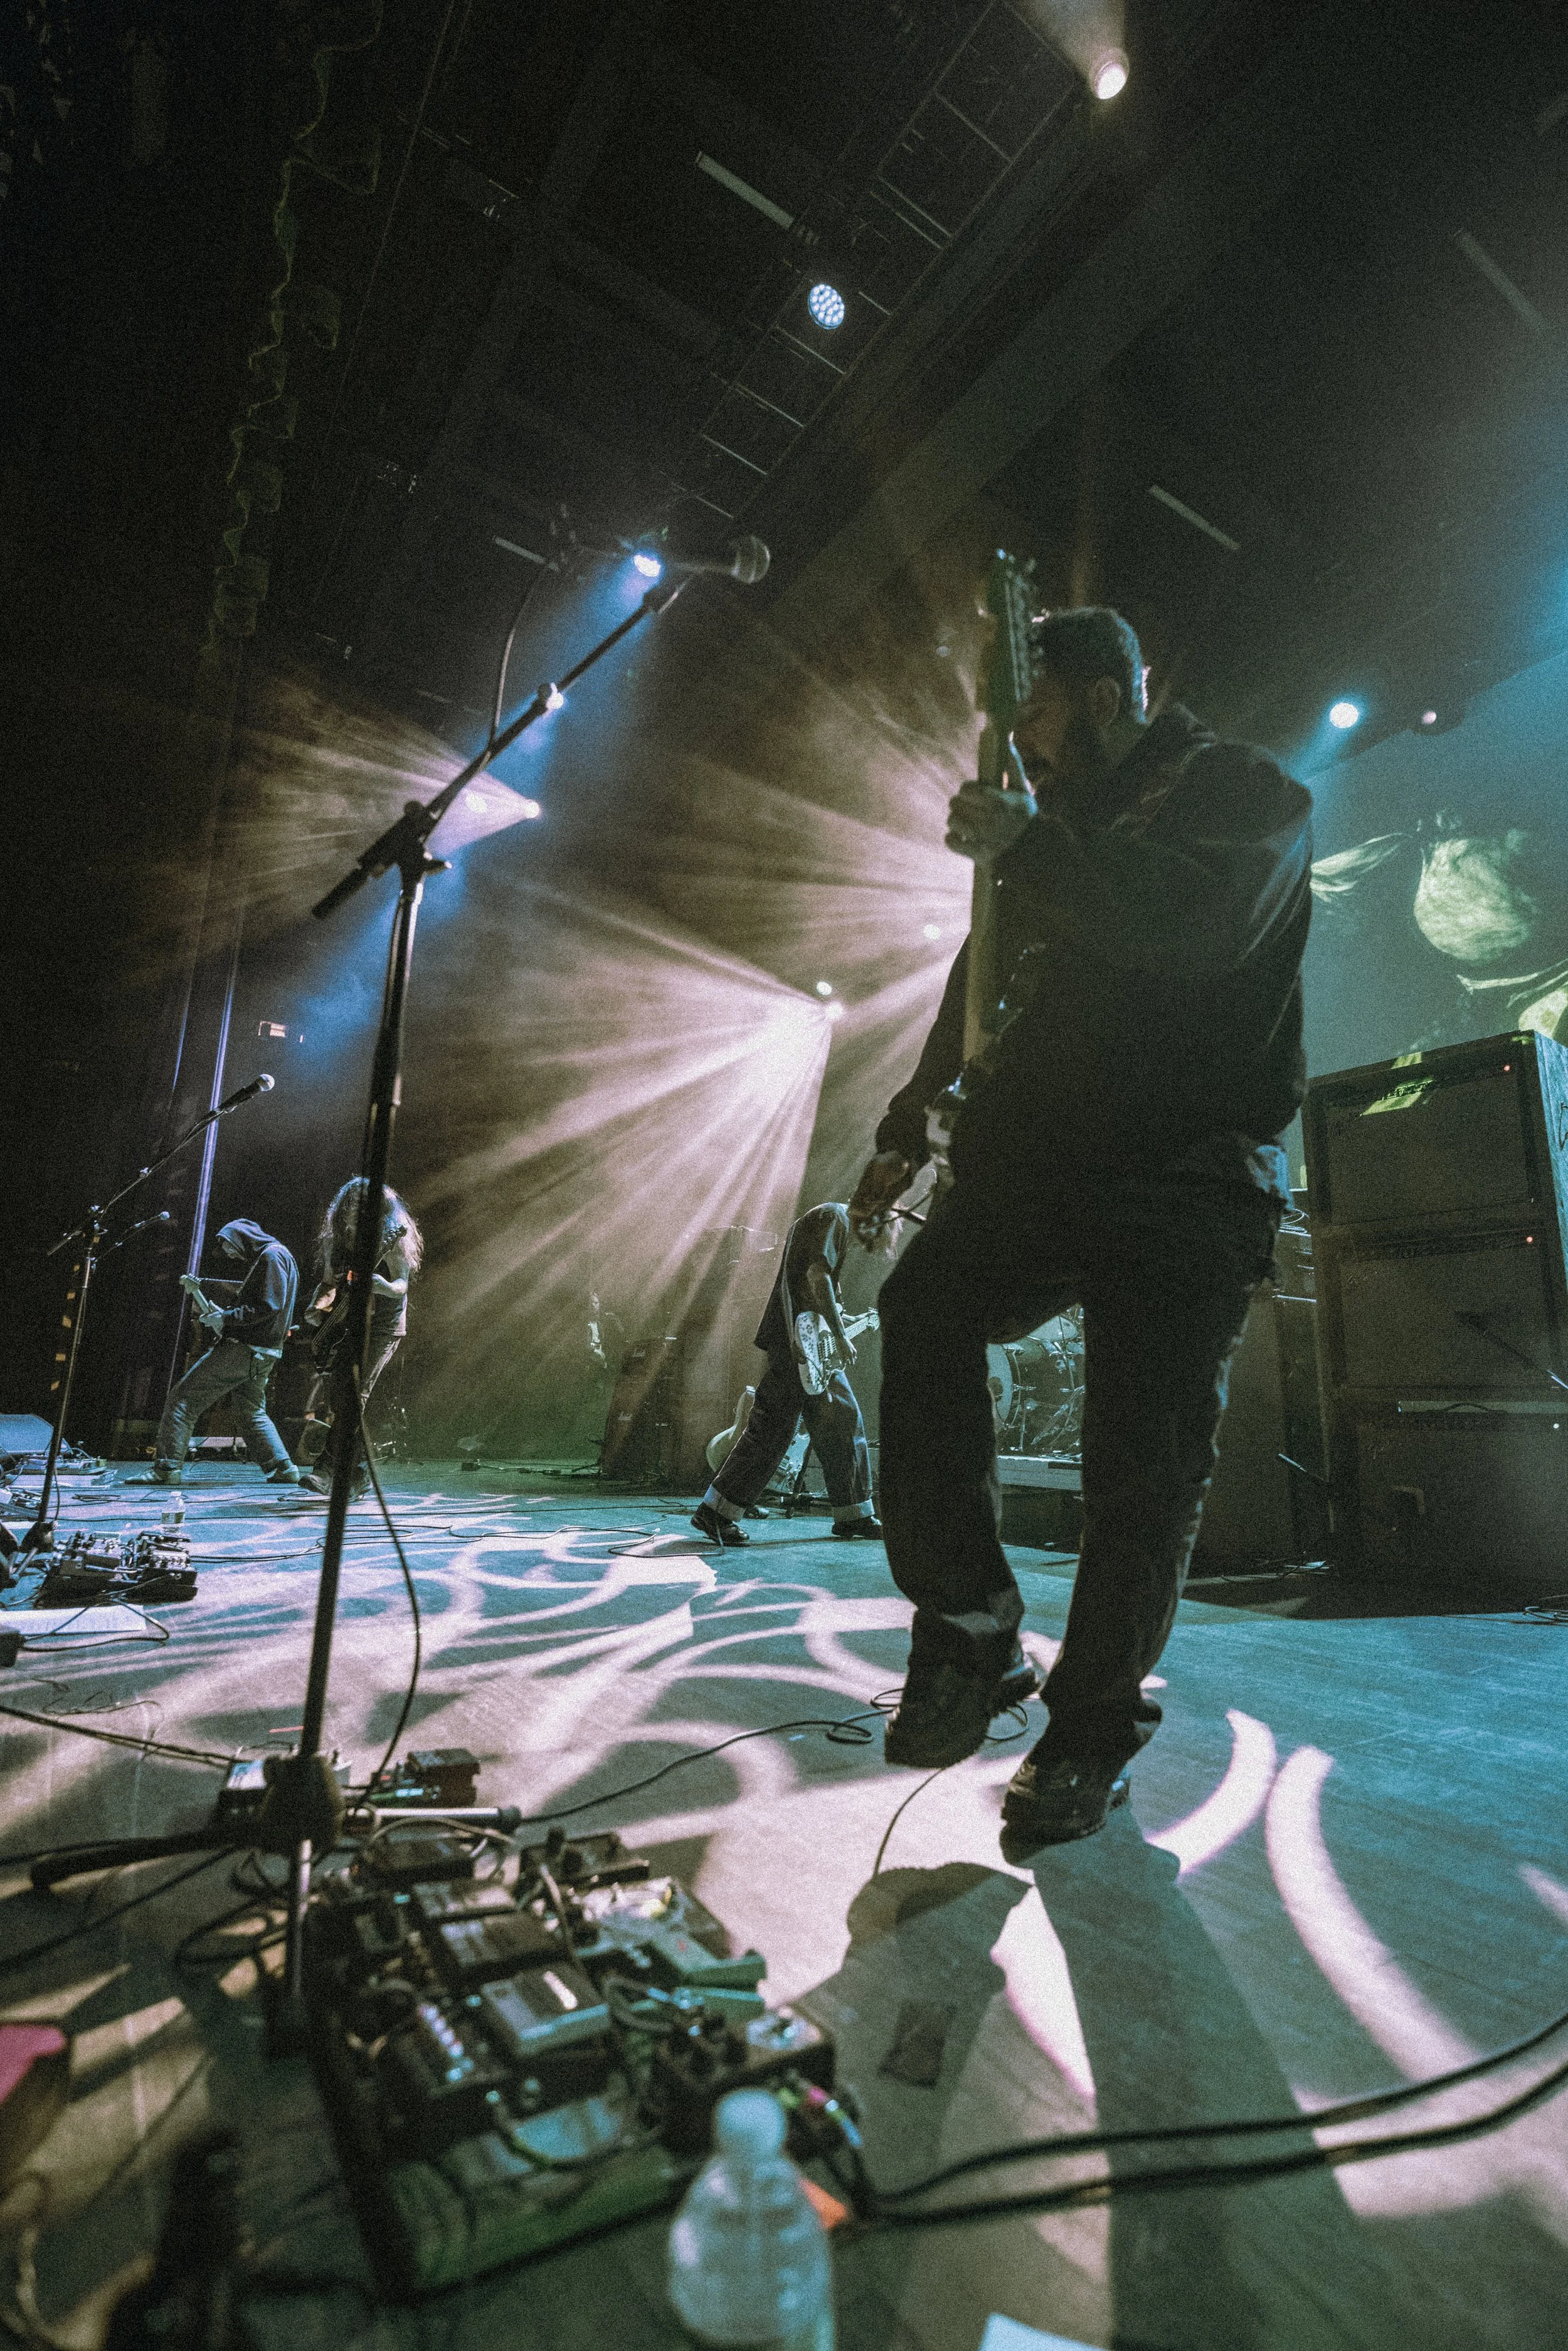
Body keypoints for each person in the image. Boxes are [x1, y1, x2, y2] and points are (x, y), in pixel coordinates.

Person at [849, 605, 1312, 1851]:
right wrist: (901, 1124)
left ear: (1105, 697)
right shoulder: (1051, 834)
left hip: (1187, 1176)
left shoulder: (1246, 790)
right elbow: (980, 979)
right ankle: (967, 1622)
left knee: (1138, 1467)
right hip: (1047, 1164)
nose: (1022, 749)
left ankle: (1088, 1730)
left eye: (1036, 719)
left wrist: (1029, 845)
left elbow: (1195, 927)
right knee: (923, 1304)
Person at [691, 1204, 882, 1547]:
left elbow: (812, 1288)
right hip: (798, 1341)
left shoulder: (828, 1219)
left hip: (805, 1340)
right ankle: (716, 1513)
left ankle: (854, 1513)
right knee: (774, 1429)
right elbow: (815, 1277)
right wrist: (838, 1335)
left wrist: (840, 1323)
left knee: (841, 1419)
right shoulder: (834, 1217)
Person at [152, 1218, 304, 1485]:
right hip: (264, 1353)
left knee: (183, 1399)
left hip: (243, 1350)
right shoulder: (281, 1256)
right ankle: (282, 1467)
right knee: (251, 1411)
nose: (230, 1253)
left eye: (230, 1245)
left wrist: (225, 1319)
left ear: (243, 1237)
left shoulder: (272, 1256)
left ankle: (166, 1469)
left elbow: (269, 1307)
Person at [297, 1178, 422, 1496]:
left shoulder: (391, 1239)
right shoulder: (333, 1242)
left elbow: (401, 1287)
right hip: (348, 1323)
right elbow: (329, 1284)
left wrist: (382, 1285)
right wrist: (316, 1307)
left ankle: (326, 1471)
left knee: (355, 1396)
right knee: (341, 1397)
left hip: (383, 1325)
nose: (355, 1208)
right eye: (350, 1202)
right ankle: (358, 1474)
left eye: (363, 1203)